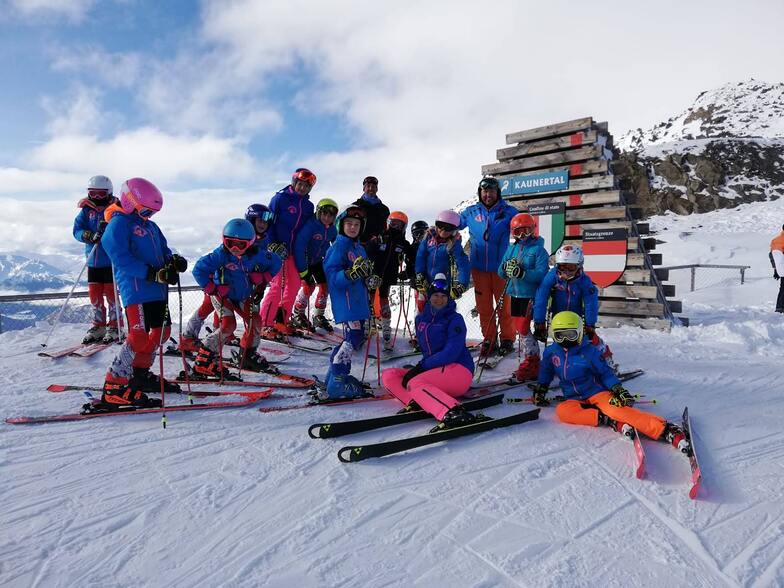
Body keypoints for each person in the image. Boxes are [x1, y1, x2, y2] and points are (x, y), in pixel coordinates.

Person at [529, 311, 690, 453]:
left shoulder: (589, 352)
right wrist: (542, 387)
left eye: (570, 335)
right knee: (563, 411)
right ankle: (607, 420)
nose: (565, 340)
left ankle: (666, 430)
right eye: (560, 335)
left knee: (618, 410)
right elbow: (547, 371)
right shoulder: (552, 352)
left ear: (579, 333)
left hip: (596, 392)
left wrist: (617, 389)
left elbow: (605, 373)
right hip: (573, 397)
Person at [99, 178, 188, 408]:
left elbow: (164, 251)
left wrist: (173, 262)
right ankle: (114, 385)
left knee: (161, 333)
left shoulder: (149, 225)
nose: (149, 215)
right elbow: (120, 258)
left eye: (153, 212)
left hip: (158, 291)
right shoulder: (118, 225)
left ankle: (139, 374)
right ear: (130, 201)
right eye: (146, 210)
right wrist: (151, 274)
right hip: (136, 291)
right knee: (138, 336)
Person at [382, 273, 484, 431]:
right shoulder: (421, 320)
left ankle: (452, 411)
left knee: (414, 382)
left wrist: (422, 367)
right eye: (435, 295)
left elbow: (451, 352)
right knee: (389, 375)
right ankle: (417, 401)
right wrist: (422, 367)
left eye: (443, 296)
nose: (439, 299)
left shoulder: (454, 319)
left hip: (459, 370)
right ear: (429, 297)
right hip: (436, 371)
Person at [191, 219, 282, 377]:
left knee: (255, 323)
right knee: (228, 326)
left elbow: (276, 262)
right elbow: (198, 270)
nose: (234, 249)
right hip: (222, 296)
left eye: (240, 245)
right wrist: (212, 288)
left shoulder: (257, 255)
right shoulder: (221, 255)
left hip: (243, 296)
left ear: (250, 243)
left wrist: (263, 277)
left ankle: (247, 355)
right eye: (230, 243)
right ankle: (202, 360)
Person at [180, 203, 275, 351]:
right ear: (250, 220)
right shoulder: (237, 236)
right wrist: (212, 286)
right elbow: (210, 264)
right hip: (220, 283)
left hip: (243, 286)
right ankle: (190, 336)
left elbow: (262, 262)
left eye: (266, 221)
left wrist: (262, 278)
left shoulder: (263, 240)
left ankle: (226, 336)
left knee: (238, 315)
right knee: (209, 307)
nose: (263, 224)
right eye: (259, 221)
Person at [320, 205, 378, 400]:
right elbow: (333, 276)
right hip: (346, 302)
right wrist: (350, 274)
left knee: (353, 338)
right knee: (353, 338)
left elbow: (363, 273)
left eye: (356, 224)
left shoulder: (358, 247)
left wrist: (369, 279)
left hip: (358, 300)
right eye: (349, 224)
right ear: (341, 225)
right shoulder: (338, 246)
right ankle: (337, 383)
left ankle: (333, 377)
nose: (353, 227)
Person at [459, 176, 519, 357]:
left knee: (504, 307)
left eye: (491, 191)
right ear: (480, 193)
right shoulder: (470, 212)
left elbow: (522, 228)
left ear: (497, 192)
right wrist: (438, 226)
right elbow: (454, 224)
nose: (488, 194)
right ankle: (489, 340)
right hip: (478, 269)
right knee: (484, 307)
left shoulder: (509, 211)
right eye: (484, 191)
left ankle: (508, 339)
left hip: (501, 268)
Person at [532, 244, 616, 369]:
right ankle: (563, 363)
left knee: (583, 340)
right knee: (561, 340)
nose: (566, 271)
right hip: (558, 317)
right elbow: (541, 296)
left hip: (576, 317)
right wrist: (539, 322)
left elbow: (590, 302)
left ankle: (603, 355)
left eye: (570, 267)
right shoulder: (553, 276)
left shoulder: (584, 280)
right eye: (562, 267)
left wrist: (590, 324)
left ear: (579, 265)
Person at [259, 168, 317, 337]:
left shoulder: (308, 206)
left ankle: (280, 321)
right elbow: (267, 221)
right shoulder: (280, 199)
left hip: (294, 252)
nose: (302, 188)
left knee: (293, 287)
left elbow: (307, 230)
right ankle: (264, 324)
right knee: (277, 287)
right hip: (277, 250)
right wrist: (272, 244)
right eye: (300, 184)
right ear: (294, 183)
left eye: (306, 186)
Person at [497, 213, 550, 381]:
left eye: (526, 231)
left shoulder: (539, 250)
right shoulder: (511, 249)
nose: (522, 235)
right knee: (520, 328)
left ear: (533, 230)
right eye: (518, 232)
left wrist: (522, 272)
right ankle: (531, 357)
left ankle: (533, 361)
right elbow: (500, 272)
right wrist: (506, 268)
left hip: (530, 295)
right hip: (514, 294)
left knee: (523, 327)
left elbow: (542, 274)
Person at [72, 175, 121, 344]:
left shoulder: (116, 209)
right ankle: (98, 325)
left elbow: (121, 230)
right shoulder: (87, 210)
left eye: (101, 194)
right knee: (95, 296)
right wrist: (88, 235)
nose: (97, 197)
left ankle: (115, 326)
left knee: (111, 295)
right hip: (93, 260)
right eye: (93, 193)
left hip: (110, 262)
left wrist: (108, 234)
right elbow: (77, 230)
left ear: (109, 193)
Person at [365, 210, 415, 350]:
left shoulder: (402, 242)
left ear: (404, 227)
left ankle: (386, 327)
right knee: (368, 298)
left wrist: (407, 271)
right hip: (374, 275)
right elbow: (368, 251)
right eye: (393, 223)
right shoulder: (381, 237)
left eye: (399, 225)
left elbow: (412, 257)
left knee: (384, 300)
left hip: (388, 277)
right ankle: (366, 324)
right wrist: (373, 244)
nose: (396, 227)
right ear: (388, 223)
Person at [289, 198, 338, 332]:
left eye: (330, 215)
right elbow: (299, 246)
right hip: (304, 260)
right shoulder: (311, 225)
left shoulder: (333, 229)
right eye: (324, 214)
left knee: (324, 285)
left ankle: (318, 316)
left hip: (317, 261)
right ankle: (297, 313)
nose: (327, 218)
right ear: (318, 213)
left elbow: (338, 245)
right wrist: (303, 269)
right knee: (308, 286)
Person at [414, 210, 470, 306]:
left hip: (443, 285)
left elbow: (463, 263)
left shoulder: (453, 244)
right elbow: (421, 256)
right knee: (423, 310)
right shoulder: (428, 238)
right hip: (426, 282)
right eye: (440, 225)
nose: (443, 230)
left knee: (442, 309)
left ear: (454, 230)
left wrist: (462, 284)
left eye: (448, 228)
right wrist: (420, 274)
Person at [352, 176, 390, 245]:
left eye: (373, 186)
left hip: (378, 247)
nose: (370, 189)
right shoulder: (355, 206)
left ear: (377, 189)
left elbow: (387, 229)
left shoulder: (384, 209)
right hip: (359, 246)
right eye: (368, 186)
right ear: (363, 188)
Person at [408, 220, 430, 317]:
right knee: (420, 305)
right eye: (417, 233)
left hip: (430, 280)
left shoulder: (432, 246)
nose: (419, 236)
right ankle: (420, 326)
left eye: (422, 232)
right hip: (417, 282)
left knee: (431, 305)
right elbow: (409, 264)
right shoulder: (412, 248)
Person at [770, 224, 784, 313]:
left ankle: (780, 307)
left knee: (783, 287)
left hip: (781, 269)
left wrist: (775, 269)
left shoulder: (775, 241)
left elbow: (771, 256)